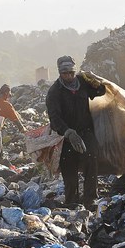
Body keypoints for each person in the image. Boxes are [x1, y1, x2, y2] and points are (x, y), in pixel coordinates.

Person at [46, 56, 106, 209]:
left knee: (91, 161)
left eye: (71, 73)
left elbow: (100, 92)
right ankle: (72, 201)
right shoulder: (55, 92)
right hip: (66, 137)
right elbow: (54, 118)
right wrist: (68, 132)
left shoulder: (83, 83)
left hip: (86, 131)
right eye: (65, 73)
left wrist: (96, 81)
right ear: (60, 73)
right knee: (69, 168)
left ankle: (90, 199)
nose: (69, 76)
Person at [0, 84, 27, 157]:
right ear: (6, 93)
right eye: (9, 95)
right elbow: (16, 120)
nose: (9, 98)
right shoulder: (6, 105)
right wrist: (24, 130)